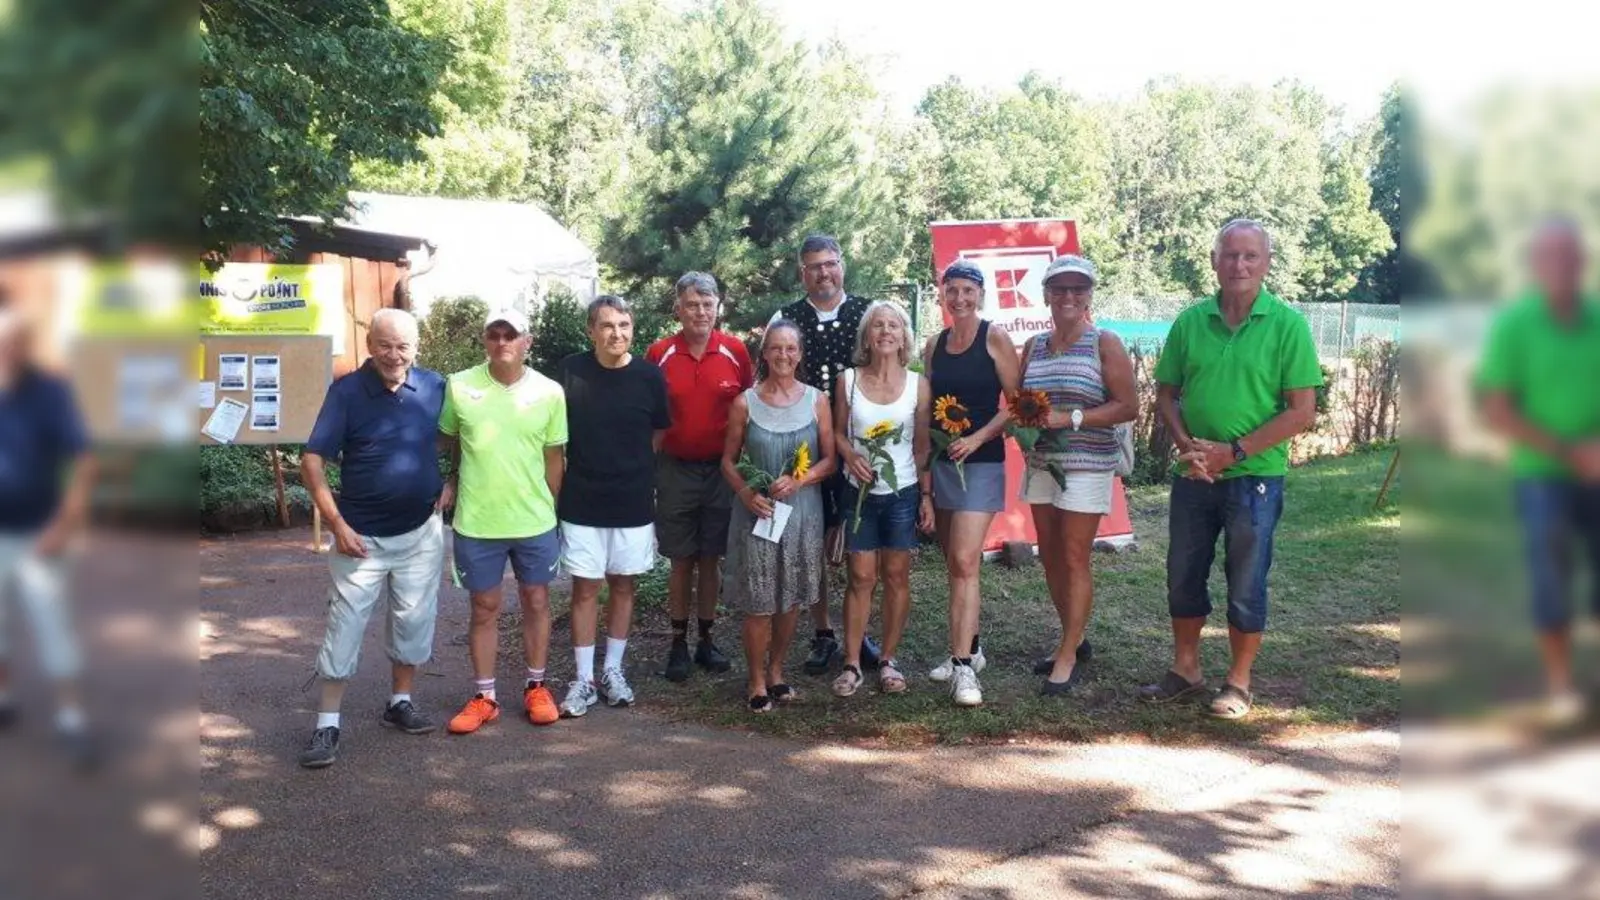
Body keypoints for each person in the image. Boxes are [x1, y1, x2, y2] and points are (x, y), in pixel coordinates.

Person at [1140, 218, 1322, 719]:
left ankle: (1239, 682)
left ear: (1266, 263)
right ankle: (1186, 671)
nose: (1239, 265)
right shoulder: (1190, 321)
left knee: (1246, 579)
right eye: (1230, 255)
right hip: (1192, 475)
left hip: (1255, 477)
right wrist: (1188, 447)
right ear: (1214, 261)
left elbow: (1301, 411)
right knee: (1183, 573)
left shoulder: (1288, 325)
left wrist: (1233, 452)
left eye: (1250, 256)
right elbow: (1167, 394)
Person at [297, 308, 448, 768]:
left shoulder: (436, 388)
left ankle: (399, 702)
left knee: (413, 621)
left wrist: (452, 481)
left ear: (416, 347)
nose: (394, 354)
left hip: (421, 533)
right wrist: (338, 524)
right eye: (385, 344)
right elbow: (311, 460)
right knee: (344, 627)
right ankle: (327, 724)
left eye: (403, 345)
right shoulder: (346, 393)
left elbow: (460, 437)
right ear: (370, 345)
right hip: (359, 538)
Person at [1477, 217, 1600, 725]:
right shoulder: (1515, 324)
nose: (1562, 267)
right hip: (1542, 474)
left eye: (1569, 256)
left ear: (1583, 262)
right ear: (1535, 265)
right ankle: (1560, 684)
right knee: (1551, 577)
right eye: (1550, 257)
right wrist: (1571, 451)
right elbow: (1498, 409)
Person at [439, 307, 568, 734]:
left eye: (510, 335)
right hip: (477, 521)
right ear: (484, 340)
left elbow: (554, 459)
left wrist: (551, 512)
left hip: (534, 520)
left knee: (536, 601)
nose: (502, 343)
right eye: (494, 335)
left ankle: (536, 686)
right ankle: (485, 696)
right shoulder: (459, 386)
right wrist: (452, 479)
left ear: (526, 341)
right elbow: (450, 441)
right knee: (484, 607)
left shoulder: (550, 392)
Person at [1015, 257, 1137, 696]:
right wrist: (1023, 427)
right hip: (1044, 463)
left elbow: (1128, 406)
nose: (1068, 296)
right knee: (1048, 554)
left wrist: (1072, 418)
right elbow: (1018, 401)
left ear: (1088, 295)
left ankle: (1067, 655)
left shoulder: (1104, 342)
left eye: (1077, 289)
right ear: (1046, 295)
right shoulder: (1033, 346)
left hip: (1088, 463)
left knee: (1073, 556)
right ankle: (1073, 636)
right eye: (1060, 289)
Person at [555, 296, 672, 717]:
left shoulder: (649, 377)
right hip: (582, 499)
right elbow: (556, 437)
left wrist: (632, 470)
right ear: (591, 331)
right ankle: (583, 679)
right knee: (586, 588)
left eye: (624, 324)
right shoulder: (570, 371)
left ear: (632, 329)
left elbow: (657, 435)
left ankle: (612, 671)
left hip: (633, 500)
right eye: (606, 326)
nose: (616, 333)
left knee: (624, 585)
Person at [771, 234, 880, 675]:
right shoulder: (787, 317)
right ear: (803, 273)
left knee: (859, 541)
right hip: (807, 447)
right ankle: (822, 633)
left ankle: (860, 633)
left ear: (842, 266)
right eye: (814, 266)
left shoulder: (869, 313)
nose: (823, 272)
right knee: (813, 541)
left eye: (830, 263)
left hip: (858, 444)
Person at [0, 304, 98, 769]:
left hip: (39, 532)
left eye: (10, 342)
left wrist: (66, 521)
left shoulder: (49, 393)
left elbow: (82, 457)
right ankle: (5, 699)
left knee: (53, 628)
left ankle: (71, 718)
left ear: (22, 344)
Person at [920, 260, 1020, 707]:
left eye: (967, 290)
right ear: (942, 295)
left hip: (982, 464)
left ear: (980, 294)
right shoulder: (933, 344)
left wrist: (977, 437)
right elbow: (926, 409)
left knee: (965, 561)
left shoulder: (994, 338)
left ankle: (963, 669)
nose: (959, 298)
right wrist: (924, 472)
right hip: (943, 465)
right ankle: (971, 649)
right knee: (954, 563)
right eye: (951, 290)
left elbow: (1018, 404)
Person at [721, 321, 836, 713]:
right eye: (776, 348)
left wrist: (800, 479)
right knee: (759, 600)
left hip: (802, 514)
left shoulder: (818, 401)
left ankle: (777, 671)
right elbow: (728, 460)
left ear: (800, 354)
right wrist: (745, 492)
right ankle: (755, 679)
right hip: (759, 513)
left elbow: (830, 460)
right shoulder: (745, 402)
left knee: (790, 598)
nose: (783, 356)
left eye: (791, 349)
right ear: (764, 354)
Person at [647, 273, 754, 683]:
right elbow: (649, 415)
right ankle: (677, 641)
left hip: (721, 469)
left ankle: (706, 639)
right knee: (681, 559)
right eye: (692, 304)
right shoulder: (659, 353)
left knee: (710, 557)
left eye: (707, 304)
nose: (700, 312)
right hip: (674, 468)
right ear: (679, 308)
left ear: (717, 308)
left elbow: (748, 405)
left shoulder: (734, 351)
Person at [831, 301, 933, 697]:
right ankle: (852, 663)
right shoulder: (848, 381)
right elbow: (837, 432)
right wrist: (850, 454)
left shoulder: (918, 385)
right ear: (867, 337)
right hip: (858, 494)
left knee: (896, 577)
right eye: (878, 326)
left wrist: (926, 495)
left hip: (902, 492)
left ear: (903, 336)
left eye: (893, 325)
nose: (886, 331)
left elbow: (922, 448)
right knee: (860, 578)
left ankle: (888, 660)